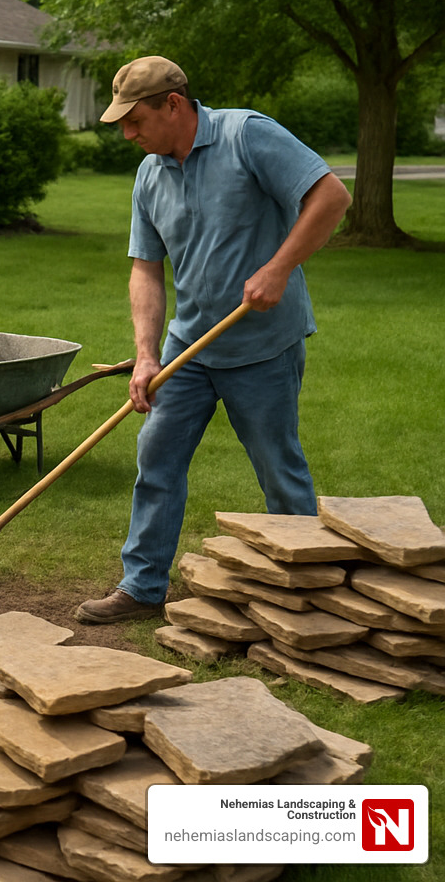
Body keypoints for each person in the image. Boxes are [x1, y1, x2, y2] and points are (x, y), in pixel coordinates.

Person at [75, 56, 352, 624]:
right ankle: (142, 587)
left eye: (135, 120)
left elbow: (331, 197)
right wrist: (148, 354)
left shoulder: (247, 135)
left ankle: (305, 587)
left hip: (263, 345)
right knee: (156, 457)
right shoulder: (150, 174)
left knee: (278, 467)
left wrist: (278, 268)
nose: (128, 134)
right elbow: (146, 269)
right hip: (188, 349)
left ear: (172, 105)